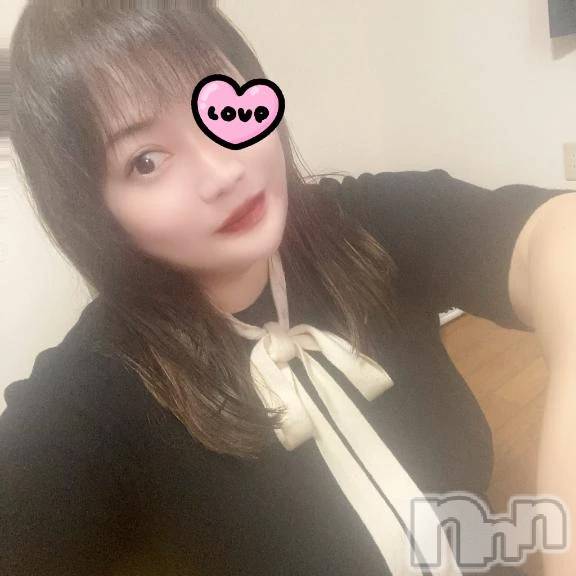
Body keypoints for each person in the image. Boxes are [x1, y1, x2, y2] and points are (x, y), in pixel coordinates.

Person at [2, 2, 574, 575]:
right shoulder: (99, 387)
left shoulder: (366, 228)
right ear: (93, 212)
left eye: (218, 103)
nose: (223, 170)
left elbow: (554, 235)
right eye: (146, 161)